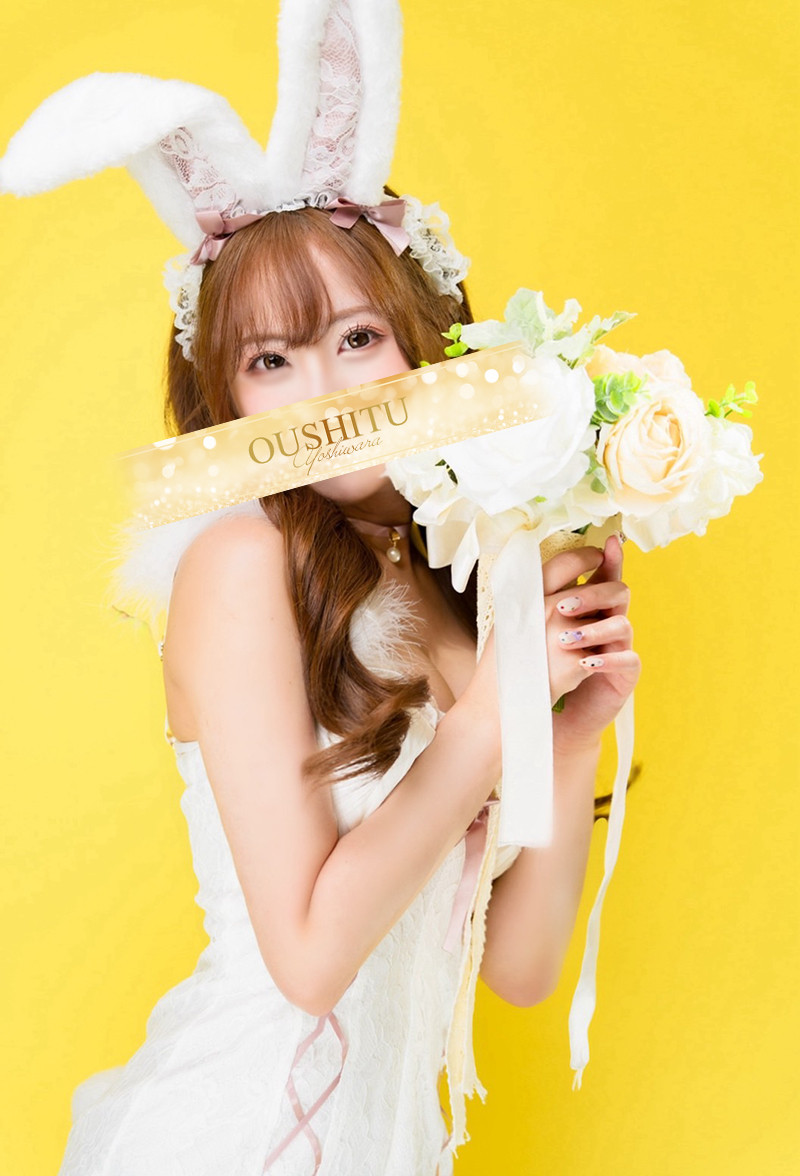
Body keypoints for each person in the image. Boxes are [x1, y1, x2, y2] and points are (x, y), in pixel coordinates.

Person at [1, 5, 639, 1173]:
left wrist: (570, 730)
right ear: (226, 396)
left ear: (421, 339)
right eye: (270, 359)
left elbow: (518, 970)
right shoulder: (239, 565)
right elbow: (305, 960)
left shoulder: (453, 577)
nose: (321, 393)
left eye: (355, 339)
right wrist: (491, 718)